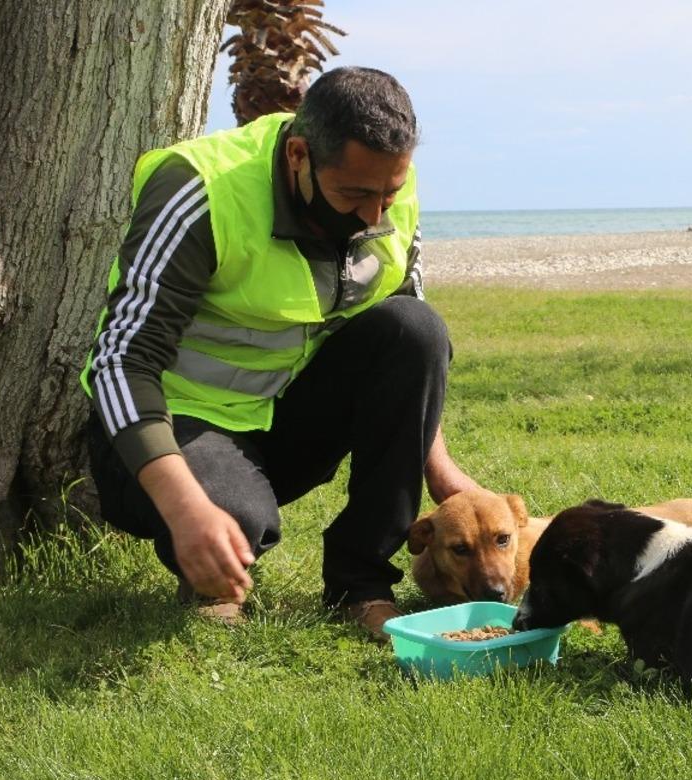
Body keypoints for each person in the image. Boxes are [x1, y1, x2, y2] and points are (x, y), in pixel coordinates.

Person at [80, 67, 479, 639]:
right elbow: (121, 361)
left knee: (416, 327)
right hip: (174, 425)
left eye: (389, 194)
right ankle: (214, 563)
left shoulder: (385, 184)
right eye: (355, 195)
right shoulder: (202, 190)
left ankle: (360, 586)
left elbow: (407, 352)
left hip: (283, 418)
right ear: (298, 155)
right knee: (234, 516)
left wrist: (441, 473)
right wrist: (186, 505)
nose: (376, 215)